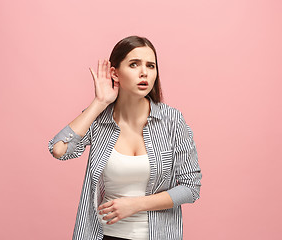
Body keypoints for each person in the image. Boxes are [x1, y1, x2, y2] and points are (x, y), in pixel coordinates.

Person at [48, 35, 202, 240]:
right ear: (115, 73)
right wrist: (99, 102)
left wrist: (135, 204)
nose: (144, 72)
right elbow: (59, 149)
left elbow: (190, 188)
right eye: (134, 64)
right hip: (104, 234)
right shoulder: (99, 119)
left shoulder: (172, 120)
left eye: (151, 65)